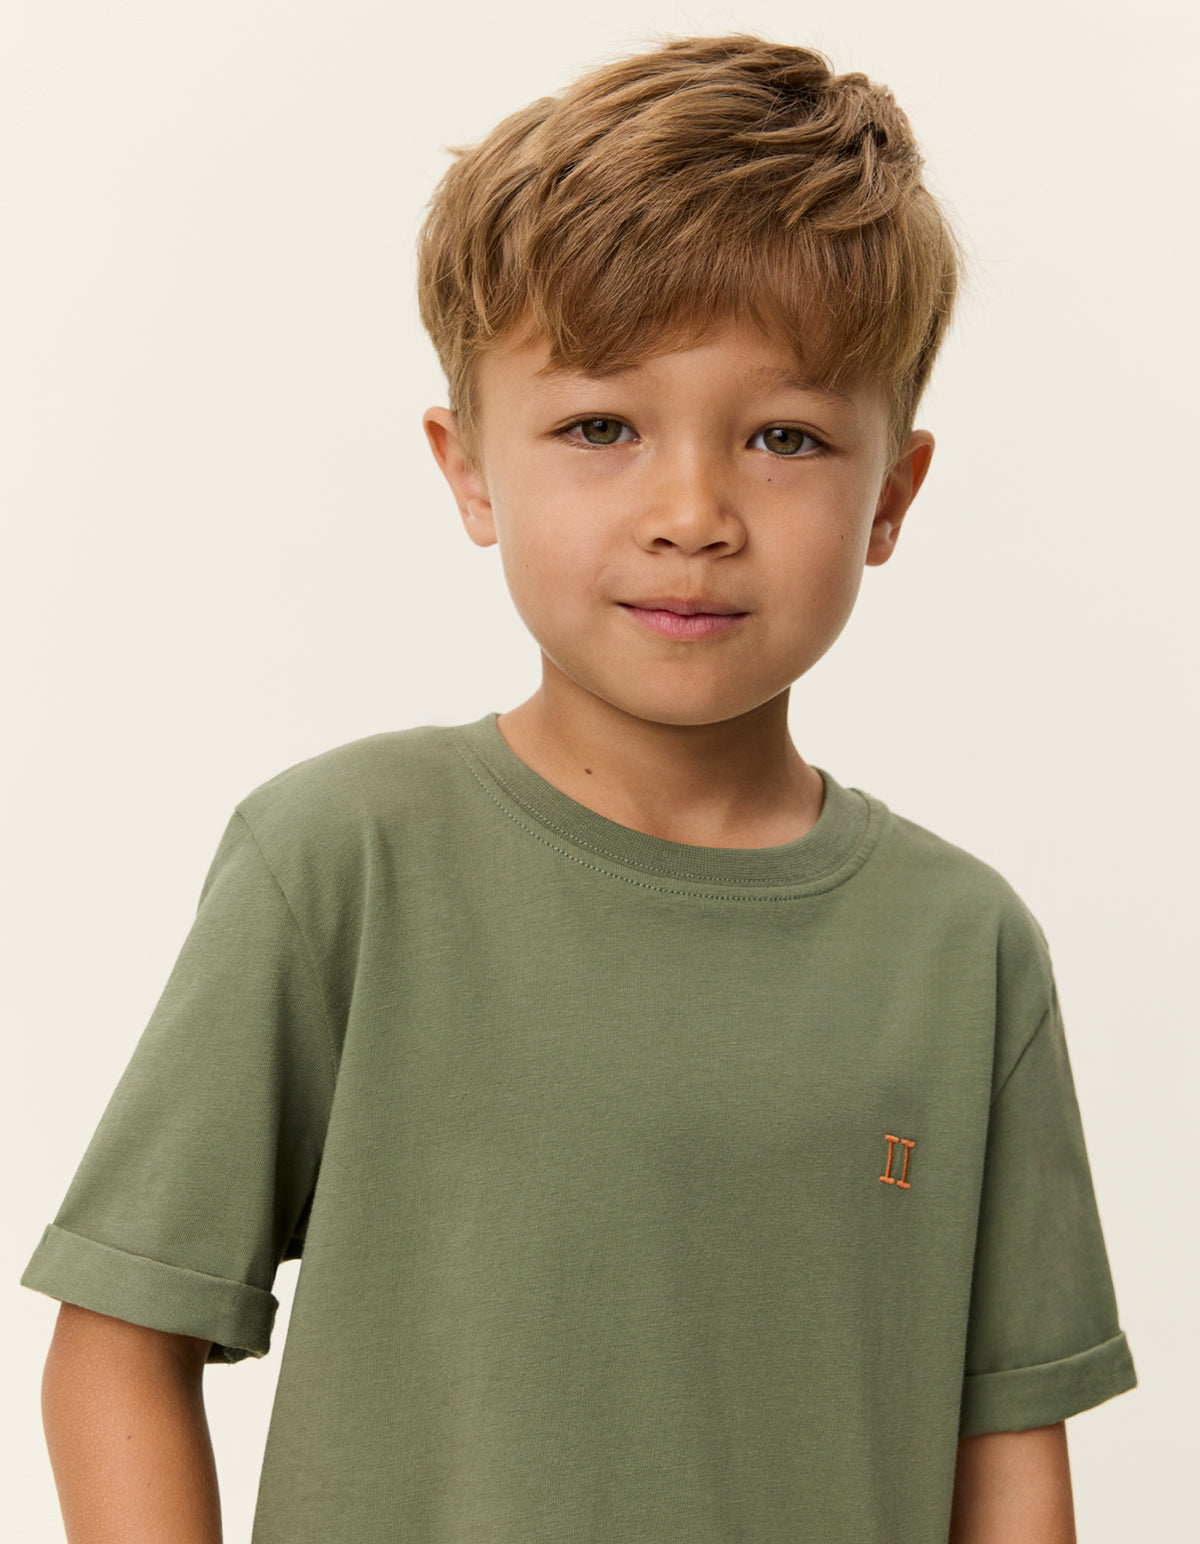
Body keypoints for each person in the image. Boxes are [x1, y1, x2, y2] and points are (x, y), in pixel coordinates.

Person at [22, 34, 1135, 1544]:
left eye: (785, 436)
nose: (693, 513)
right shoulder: (345, 862)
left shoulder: (964, 947)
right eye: (600, 427)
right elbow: (119, 1343)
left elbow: (1006, 1452)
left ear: (893, 493)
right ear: (469, 468)